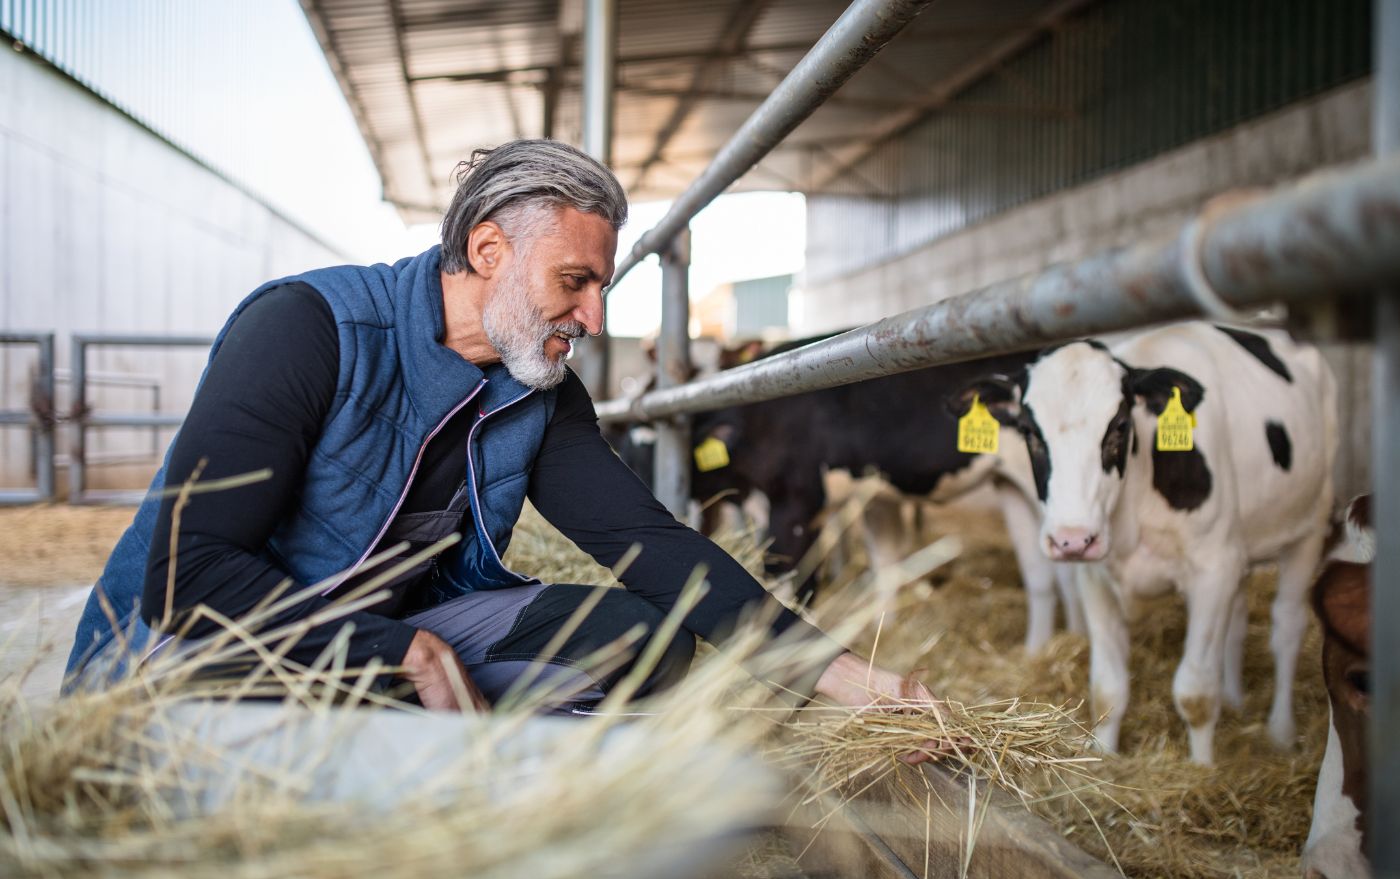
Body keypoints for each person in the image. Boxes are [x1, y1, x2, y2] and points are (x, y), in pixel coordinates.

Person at [63, 140, 939, 752]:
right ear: (488, 250)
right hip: (203, 649)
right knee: (366, 676)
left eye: (601, 286)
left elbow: (653, 545)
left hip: (388, 634)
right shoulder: (307, 328)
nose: (595, 318)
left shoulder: (539, 389)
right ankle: (423, 754)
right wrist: (398, 653)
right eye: (576, 282)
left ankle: (446, 760)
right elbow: (190, 576)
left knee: (651, 638)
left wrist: (842, 677)